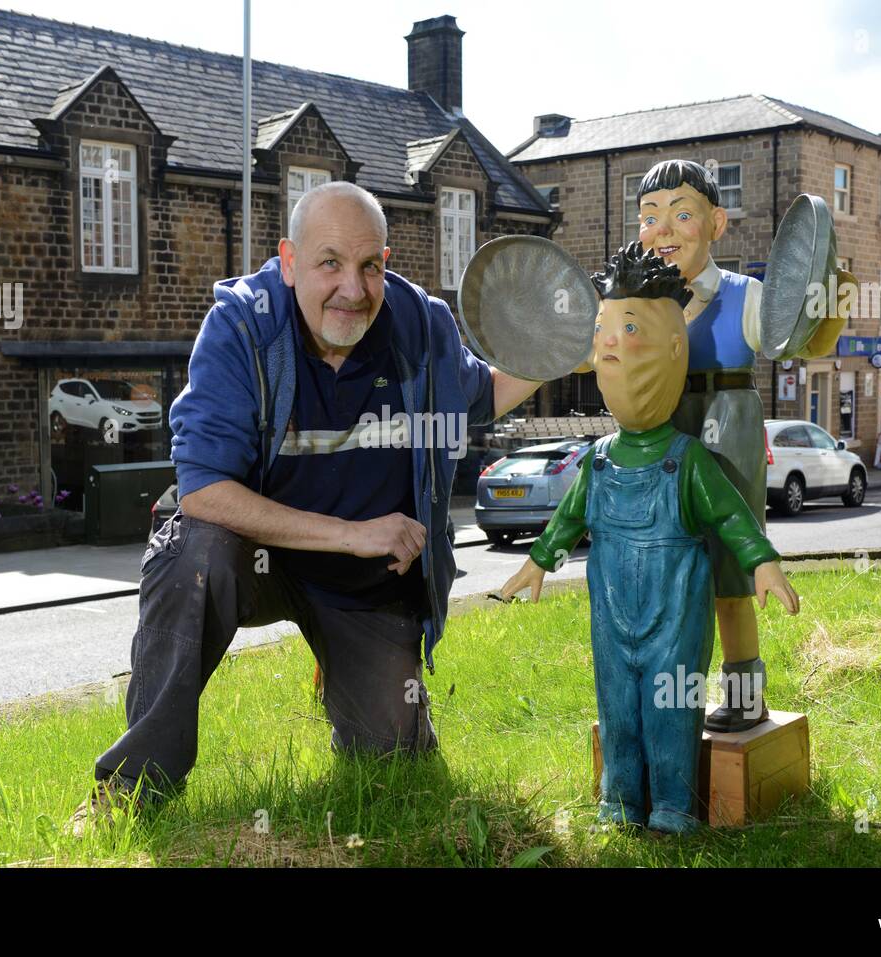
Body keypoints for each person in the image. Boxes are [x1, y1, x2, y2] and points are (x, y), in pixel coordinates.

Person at [68, 182, 546, 835]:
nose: (353, 288)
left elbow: (482, 392)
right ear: (289, 262)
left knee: (397, 771)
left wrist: (562, 340)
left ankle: (342, 667)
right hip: (253, 556)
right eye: (330, 263)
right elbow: (204, 488)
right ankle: (132, 786)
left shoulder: (418, 323)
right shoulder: (243, 324)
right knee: (195, 553)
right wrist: (351, 534)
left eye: (370, 264)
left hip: (362, 588)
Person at [498, 244, 799, 832]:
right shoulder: (600, 459)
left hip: (676, 612)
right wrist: (538, 562)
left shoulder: (687, 461)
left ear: (672, 350)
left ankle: (674, 804)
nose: (609, 344)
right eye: (604, 331)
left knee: (672, 706)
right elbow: (569, 521)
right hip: (611, 611)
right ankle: (619, 799)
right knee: (617, 705)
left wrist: (762, 563)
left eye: (627, 328)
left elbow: (733, 518)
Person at [634, 159, 850, 732]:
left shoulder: (744, 295)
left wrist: (830, 295)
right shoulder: (640, 301)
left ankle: (744, 693)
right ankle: (671, 694)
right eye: (650, 217)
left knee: (732, 565)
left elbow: (799, 343)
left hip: (728, 422)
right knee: (666, 567)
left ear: (716, 223)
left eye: (682, 214)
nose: (665, 229)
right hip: (662, 426)